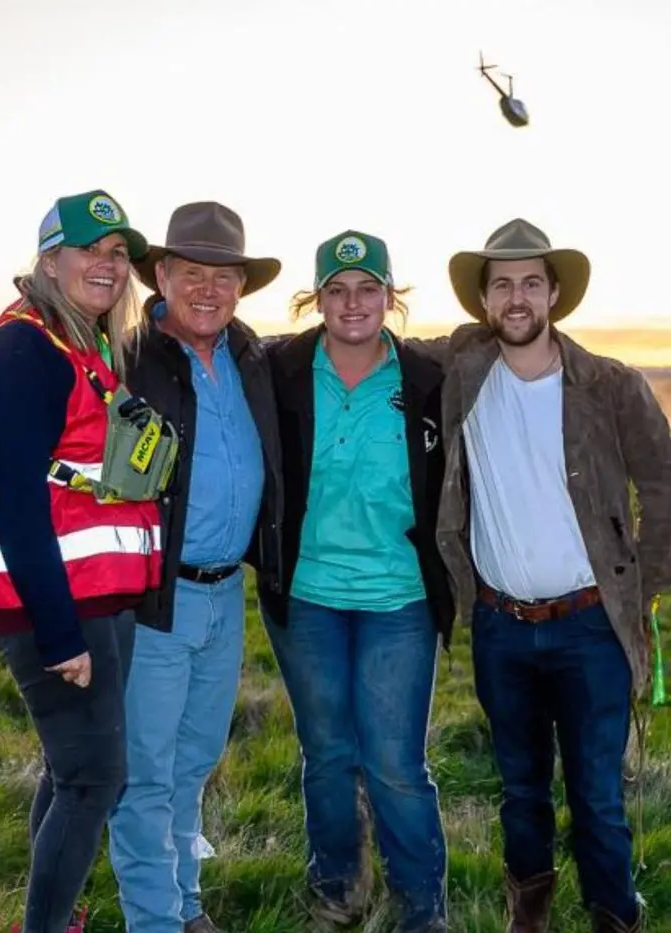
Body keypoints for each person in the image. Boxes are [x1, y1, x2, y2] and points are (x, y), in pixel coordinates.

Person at [432, 219, 671, 933]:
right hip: (500, 626)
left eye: (530, 283)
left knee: (597, 793)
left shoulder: (608, 385)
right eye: (502, 285)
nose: (517, 298)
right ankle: (531, 911)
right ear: (484, 301)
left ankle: (613, 913)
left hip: (590, 627)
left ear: (553, 294)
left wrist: (639, 590)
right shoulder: (462, 374)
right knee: (519, 787)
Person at [0, 189, 165, 933]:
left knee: (69, 769)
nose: (108, 265)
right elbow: (15, 500)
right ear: (50, 259)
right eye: (91, 250)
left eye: (119, 254)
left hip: (99, 594)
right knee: (95, 778)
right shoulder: (22, 348)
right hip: (57, 603)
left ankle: (58, 914)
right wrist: (58, 632)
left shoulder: (84, 342)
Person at [261, 231, 451, 932]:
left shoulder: (428, 377)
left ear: (390, 297)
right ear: (315, 299)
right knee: (329, 753)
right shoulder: (280, 366)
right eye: (335, 290)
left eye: (367, 288)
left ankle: (420, 905)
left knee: (396, 761)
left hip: (398, 598)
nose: (352, 304)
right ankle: (338, 886)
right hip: (306, 595)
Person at [106, 201, 286, 933]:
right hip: (153, 597)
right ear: (163, 276)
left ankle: (184, 905)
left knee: (194, 762)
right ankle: (153, 921)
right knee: (146, 773)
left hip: (224, 598)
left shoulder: (251, 357)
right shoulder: (129, 354)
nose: (207, 288)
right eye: (191, 273)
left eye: (223, 274)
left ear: (241, 284)